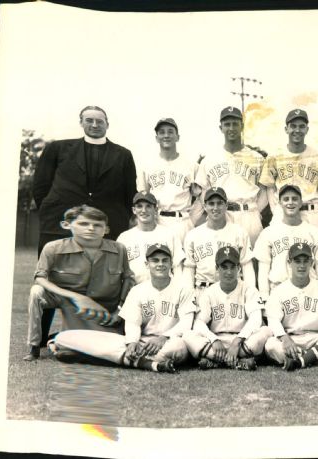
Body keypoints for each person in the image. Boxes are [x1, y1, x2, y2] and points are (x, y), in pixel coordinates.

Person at [32, 105, 137, 346]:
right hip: (57, 227)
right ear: (81, 123)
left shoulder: (123, 154)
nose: (95, 124)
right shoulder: (58, 148)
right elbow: (40, 187)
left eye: (100, 121)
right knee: (48, 282)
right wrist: (52, 212)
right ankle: (37, 341)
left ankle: (101, 336)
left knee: (105, 284)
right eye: (89, 120)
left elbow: (128, 193)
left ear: (107, 124)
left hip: (105, 230)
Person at [51, 244, 196, 373]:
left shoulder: (184, 289)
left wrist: (163, 338)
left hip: (171, 341)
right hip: (143, 342)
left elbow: (186, 323)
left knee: (177, 348)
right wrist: (132, 342)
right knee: (64, 337)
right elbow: (132, 323)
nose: (160, 264)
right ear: (147, 264)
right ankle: (147, 362)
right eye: (155, 260)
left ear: (171, 263)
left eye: (165, 260)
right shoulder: (137, 290)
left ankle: (130, 360)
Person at [23, 205, 134, 361]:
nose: (91, 228)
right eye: (84, 224)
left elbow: (128, 280)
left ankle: (56, 340)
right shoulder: (53, 248)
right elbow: (40, 278)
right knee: (36, 292)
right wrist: (77, 297)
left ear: (106, 229)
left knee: (104, 344)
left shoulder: (119, 249)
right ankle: (34, 346)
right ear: (66, 225)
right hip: (65, 298)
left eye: (97, 225)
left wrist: (120, 309)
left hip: (104, 302)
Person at [184, 247, 272, 371]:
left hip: (242, 341)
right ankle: (239, 362)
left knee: (266, 331)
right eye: (224, 267)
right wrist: (213, 339)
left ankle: (217, 362)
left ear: (239, 268)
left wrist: (238, 341)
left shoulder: (249, 290)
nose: (229, 272)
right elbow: (199, 323)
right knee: (188, 335)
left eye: (233, 267)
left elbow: (256, 320)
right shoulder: (209, 292)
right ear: (216, 269)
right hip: (217, 341)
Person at [264, 243, 318, 371]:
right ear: (289, 262)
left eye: (306, 261)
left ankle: (300, 361)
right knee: (270, 345)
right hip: (291, 339)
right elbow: (273, 320)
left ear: (312, 262)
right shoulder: (279, 291)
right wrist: (285, 338)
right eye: (297, 261)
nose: (302, 266)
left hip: (315, 338)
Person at [194, 106, 268, 246]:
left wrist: (255, 210)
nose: (231, 128)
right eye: (227, 124)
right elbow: (204, 192)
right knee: (223, 262)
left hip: (249, 214)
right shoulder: (209, 159)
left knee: (252, 261)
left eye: (235, 123)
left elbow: (264, 190)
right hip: (222, 215)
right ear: (220, 128)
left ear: (242, 126)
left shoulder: (256, 158)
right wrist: (213, 212)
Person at [259, 109, 318, 233]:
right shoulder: (275, 156)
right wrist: (276, 210)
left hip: (311, 212)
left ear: (307, 129)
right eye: (293, 126)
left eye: (301, 126)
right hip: (284, 212)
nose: (297, 130)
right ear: (286, 129)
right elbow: (270, 187)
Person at [253, 184, 318, 300]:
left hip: (308, 292)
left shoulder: (314, 232)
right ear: (280, 203)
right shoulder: (269, 233)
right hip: (278, 290)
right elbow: (263, 269)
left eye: (294, 199)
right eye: (286, 199)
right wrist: (264, 297)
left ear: (300, 202)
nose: (290, 202)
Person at [137, 117, 203, 242]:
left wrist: (192, 219)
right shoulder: (147, 166)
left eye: (170, 132)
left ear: (177, 137)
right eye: (162, 132)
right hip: (156, 221)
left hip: (182, 221)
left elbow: (202, 197)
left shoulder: (192, 166)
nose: (166, 135)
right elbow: (142, 196)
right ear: (156, 138)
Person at [183, 187, 255, 300]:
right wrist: (188, 299)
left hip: (233, 292)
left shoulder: (239, 232)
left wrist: (251, 296)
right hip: (203, 291)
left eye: (219, 203)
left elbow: (247, 266)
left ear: (226, 206)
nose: (215, 208)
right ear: (205, 206)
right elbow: (189, 270)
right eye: (211, 204)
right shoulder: (193, 235)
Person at [116, 191, 184, 283]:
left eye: (148, 206)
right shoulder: (124, 237)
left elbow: (177, 268)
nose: (144, 210)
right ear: (134, 210)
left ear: (156, 210)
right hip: (134, 289)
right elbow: (118, 270)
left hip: (164, 289)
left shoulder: (169, 234)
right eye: (139, 206)